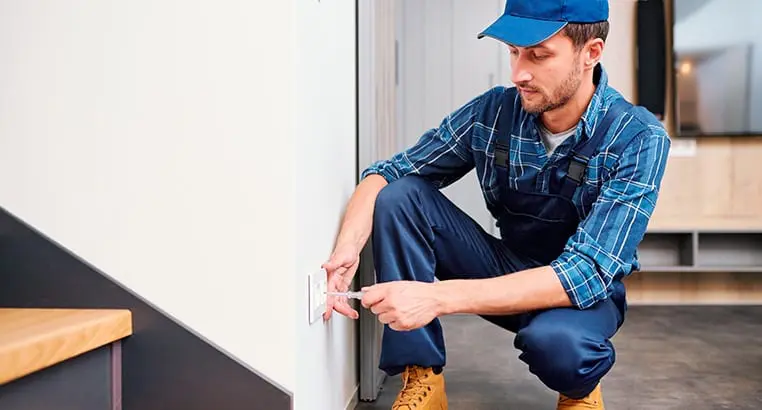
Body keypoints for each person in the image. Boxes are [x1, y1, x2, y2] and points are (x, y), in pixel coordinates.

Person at [323, 0, 671, 408]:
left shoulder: (638, 138)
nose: (519, 73)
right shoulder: (493, 112)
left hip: (581, 297)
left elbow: (587, 272)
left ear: (591, 53)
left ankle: (579, 391)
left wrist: (436, 298)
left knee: (559, 345)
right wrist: (347, 247)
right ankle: (423, 379)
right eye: (513, 52)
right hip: (507, 263)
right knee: (401, 196)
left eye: (539, 56)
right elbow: (387, 174)